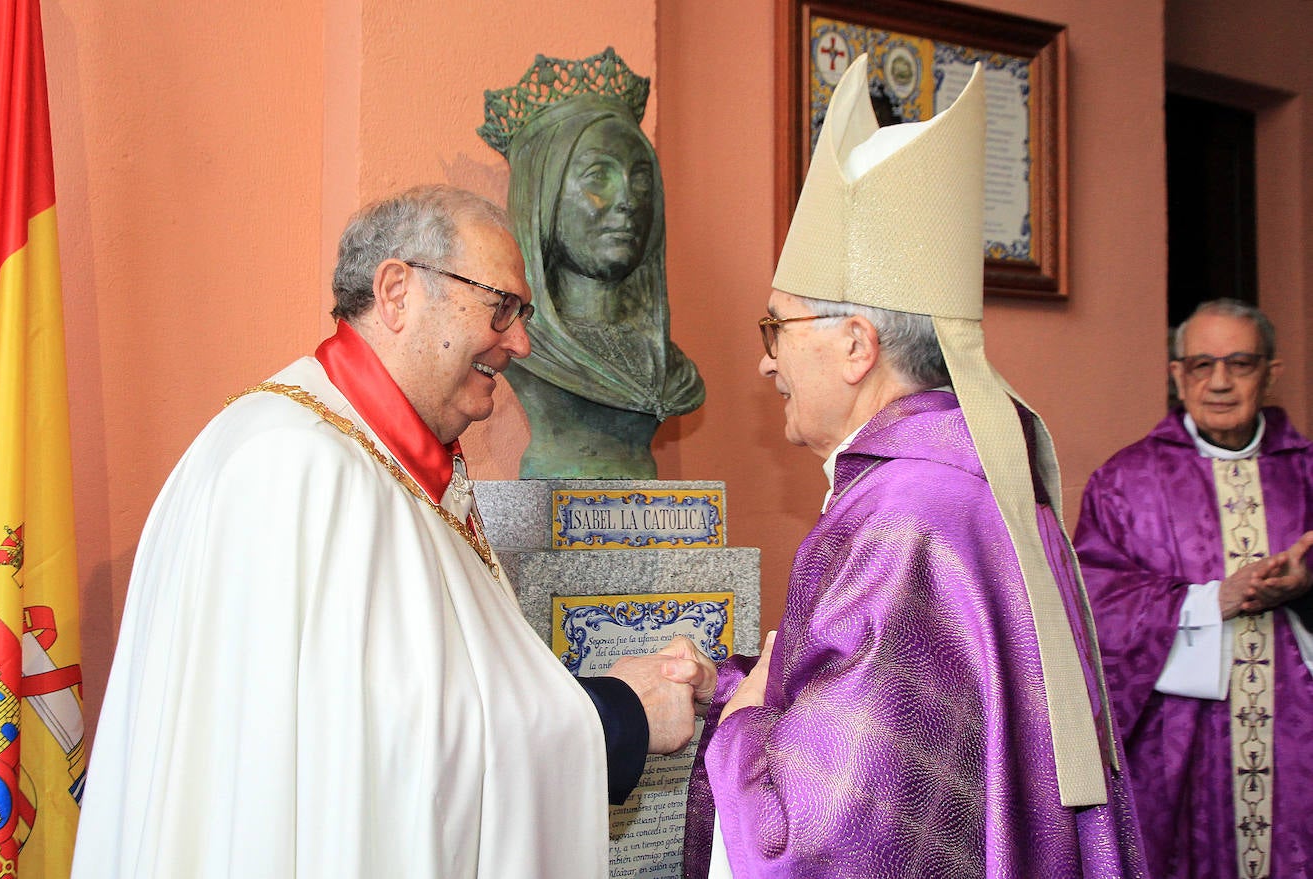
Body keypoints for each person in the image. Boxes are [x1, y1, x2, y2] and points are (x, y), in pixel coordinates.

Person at [70, 185, 716, 879]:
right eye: (502, 306)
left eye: (522, 314)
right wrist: (619, 714)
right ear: (397, 291)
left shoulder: (374, 464)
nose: (521, 342)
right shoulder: (305, 470)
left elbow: (424, 717)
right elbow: (393, 764)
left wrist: (608, 697)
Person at [681, 55, 1147, 878]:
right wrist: (740, 681)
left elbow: (822, 828)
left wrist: (744, 723)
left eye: (775, 330)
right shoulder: (962, 478)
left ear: (856, 345)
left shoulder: (904, 514)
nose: (765, 363)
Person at [1074, 298, 1313, 879]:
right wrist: (1211, 601)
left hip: (1297, 733)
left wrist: (1308, 587)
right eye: (1202, 365)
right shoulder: (1126, 481)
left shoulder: (1306, 472)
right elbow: (1092, 603)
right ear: (1177, 374)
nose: (1221, 382)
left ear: (1271, 373)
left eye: (1241, 363)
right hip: (1179, 739)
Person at [478, 48, 705, 478]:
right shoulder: (527, 351)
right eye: (598, 176)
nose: (628, 201)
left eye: (640, 179)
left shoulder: (671, 371)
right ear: (542, 200)